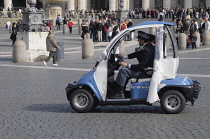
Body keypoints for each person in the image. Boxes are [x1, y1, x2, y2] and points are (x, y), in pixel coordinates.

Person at [109, 31, 155, 99]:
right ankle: (120, 89)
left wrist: (127, 65)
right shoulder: (147, 47)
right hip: (144, 70)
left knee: (123, 71)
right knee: (125, 70)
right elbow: (137, 54)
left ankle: (119, 93)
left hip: (144, 72)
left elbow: (140, 66)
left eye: (138, 40)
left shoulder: (147, 50)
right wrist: (123, 57)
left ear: (142, 40)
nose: (138, 41)